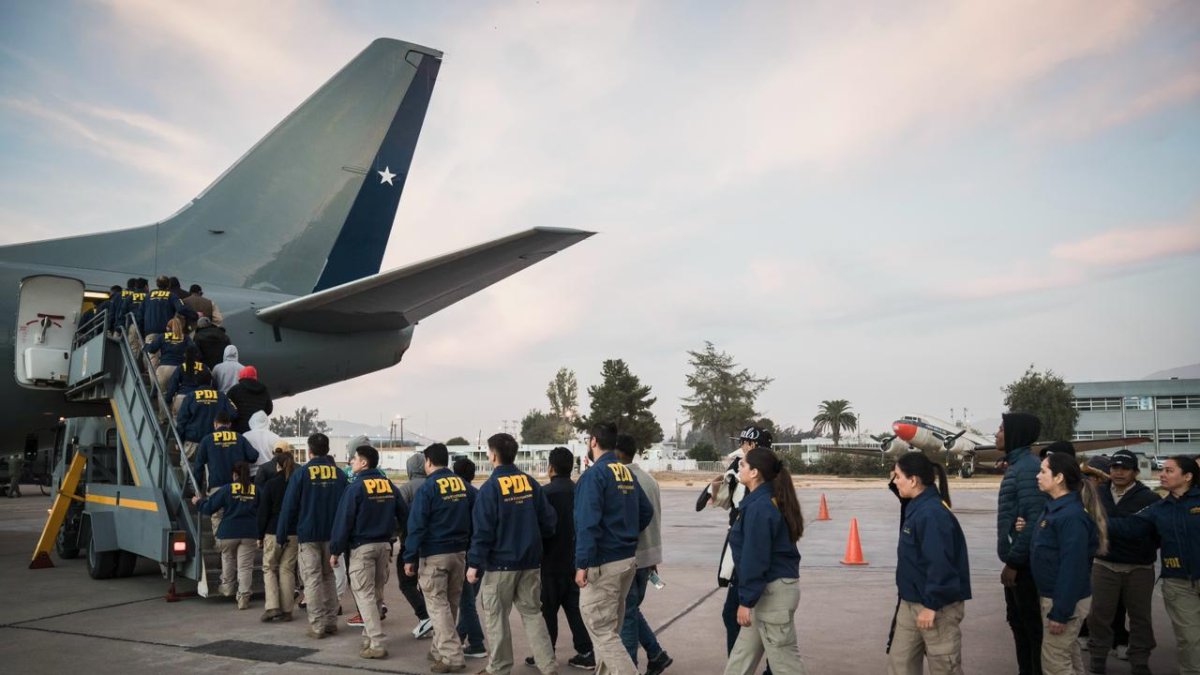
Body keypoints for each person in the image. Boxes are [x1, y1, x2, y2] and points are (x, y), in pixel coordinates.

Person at [467, 433, 557, 675]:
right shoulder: (530, 483)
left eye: (487, 451)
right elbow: (549, 521)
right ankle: (548, 666)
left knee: (497, 619)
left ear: (494, 455)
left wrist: (474, 563)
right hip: (530, 563)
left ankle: (499, 668)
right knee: (533, 614)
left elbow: (483, 530)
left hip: (499, 566)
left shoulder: (490, 488)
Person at [1106, 455, 1200, 674]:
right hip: (1179, 584)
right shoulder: (1159, 508)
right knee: (1190, 639)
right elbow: (1129, 527)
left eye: (1169, 470)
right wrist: (1092, 520)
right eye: (1162, 470)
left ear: (1187, 476)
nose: (1162, 474)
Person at [574, 422, 653, 675]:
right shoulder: (625, 472)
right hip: (626, 560)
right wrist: (625, 534)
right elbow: (645, 511)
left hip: (603, 563)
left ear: (594, 441)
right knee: (610, 631)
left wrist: (582, 563)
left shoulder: (594, 475)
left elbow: (587, 523)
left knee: (602, 631)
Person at [723, 447, 807, 675]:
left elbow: (755, 557)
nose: (738, 468)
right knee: (740, 660)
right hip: (765, 592)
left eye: (743, 465)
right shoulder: (762, 501)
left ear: (755, 473)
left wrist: (746, 601)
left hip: (771, 594)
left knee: (785, 664)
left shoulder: (760, 508)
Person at [889, 452, 971, 675]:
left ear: (913, 480)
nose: (894, 481)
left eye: (897, 476)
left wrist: (931, 605)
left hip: (935, 606)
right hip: (911, 601)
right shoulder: (916, 506)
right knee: (900, 662)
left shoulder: (932, 514)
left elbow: (941, 564)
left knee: (944, 667)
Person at [1031, 451, 1107, 675]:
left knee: (1055, 662)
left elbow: (1072, 568)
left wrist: (1060, 612)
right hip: (1057, 596)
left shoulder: (1070, 516)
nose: (1038, 476)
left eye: (1043, 471)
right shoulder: (1056, 508)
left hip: (1063, 600)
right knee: (1069, 656)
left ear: (1059, 478)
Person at [330, 445, 406, 660]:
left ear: (364, 462)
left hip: (362, 548)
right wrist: (395, 536)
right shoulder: (387, 484)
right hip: (384, 546)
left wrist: (335, 550)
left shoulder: (356, 488)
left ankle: (377, 642)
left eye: (353, 459)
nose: (350, 462)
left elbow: (343, 521)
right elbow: (404, 514)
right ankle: (368, 637)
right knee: (376, 594)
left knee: (364, 595)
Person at [403, 443, 473, 673]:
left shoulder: (428, 487)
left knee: (437, 606)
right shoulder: (463, 485)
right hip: (459, 554)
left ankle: (452, 656)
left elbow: (417, 525)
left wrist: (410, 556)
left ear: (428, 461)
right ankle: (438, 650)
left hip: (435, 555)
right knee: (449, 604)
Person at [1086, 449, 1157, 675]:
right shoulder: (1097, 493)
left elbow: (1143, 531)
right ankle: (1097, 659)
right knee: (1099, 615)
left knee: (1140, 618)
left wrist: (1103, 524)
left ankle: (1140, 662)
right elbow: (1086, 522)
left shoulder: (1149, 498)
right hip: (1104, 564)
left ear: (1135, 472)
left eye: (1125, 468)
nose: (1118, 472)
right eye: (1115, 468)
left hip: (1139, 567)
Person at [527, 446, 594, 670]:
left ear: (551, 468)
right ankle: (586, 651)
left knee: (547, 610)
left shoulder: (544, 494)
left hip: (550, 561)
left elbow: (537, 528)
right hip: (576, 561)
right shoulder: (580, 491)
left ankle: (545, 653)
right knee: (575, 609)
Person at [277, 433, 349, 640]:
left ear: (309, 451)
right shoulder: (339, 474)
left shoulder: (302, 474)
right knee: (329, 577)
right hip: (333, 535)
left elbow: (288, 506)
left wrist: (281, 534)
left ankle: (317, 626)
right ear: (327, 449)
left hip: (309, 535)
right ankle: (331, 622)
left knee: (312, 580)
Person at [614, 434, 672, 674]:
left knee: (626, 613)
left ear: (617, 453)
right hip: (649, 556)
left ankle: (630, 667)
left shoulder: (622, 480)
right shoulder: (649, 479)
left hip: (631, 556)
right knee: (631, 609)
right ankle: (656, 654)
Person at [996, 412, 1048, 675]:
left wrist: (1015, 562)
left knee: (1030, 628)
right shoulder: (1018, 466)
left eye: (1002, 429)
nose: (996, 434)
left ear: (1016, 434)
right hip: (1017, 561)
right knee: (1019, 624)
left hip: (1025, 566)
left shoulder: (1027, 468)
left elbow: (1033, 519)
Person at [194, 461, 258, 608]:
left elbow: (209, 507)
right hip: (249, 532)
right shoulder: (256, 490)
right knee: (245, 566)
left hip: (229, 531)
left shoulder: (227, 489)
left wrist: (198, 502)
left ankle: (228, 587)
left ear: (234, 474)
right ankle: (243, 597)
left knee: (228, 558)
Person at [192, 411, 259, 534]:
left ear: (215, 424)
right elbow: (253, 455)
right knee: (237, 518)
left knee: (217, 517)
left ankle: (221, 547)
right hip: (238, 486)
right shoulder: (239, 438)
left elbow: (198, 466)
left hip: (216, 487)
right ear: (229, 424)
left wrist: (197, 489)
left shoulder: (207, 440)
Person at [397, 451, 434, 640]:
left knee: (406, 583)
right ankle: (430, 617)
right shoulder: (432, 484)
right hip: (433, 545)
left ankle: (425, 616)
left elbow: (399, 516)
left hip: (410, 543)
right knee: (426, 584)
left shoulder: (406, 488)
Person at [258, 450, 299, 622]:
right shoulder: (298, 484)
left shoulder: (271, 484)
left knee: (269, 568)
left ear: (277, 465)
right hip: (294, 532)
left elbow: (263, 512)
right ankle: (288, 610)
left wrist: (259, 535)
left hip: (273, 532)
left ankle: (273, 607)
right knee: (287, 570)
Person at [453, 457, 487, 660]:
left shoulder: (456, 493)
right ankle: (460, 637)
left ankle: (476, 643)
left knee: (466, 602)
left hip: (464, 555)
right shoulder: (477, 494)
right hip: (479, 554)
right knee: (468, 600)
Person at [175, 370, 237, 459]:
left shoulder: (190, 397)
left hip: (192, 441)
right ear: (211, 382)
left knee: (188, 469)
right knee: (211, 469)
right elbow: (234, 413)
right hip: (214, 441)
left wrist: (179, 440)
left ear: (196, 381)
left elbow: (181, 420)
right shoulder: (222, 396)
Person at [138, 275, 195, 362]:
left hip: (150, 331)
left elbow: (140, 315)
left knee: (152, 358)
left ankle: (153, 375)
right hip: (166, 331)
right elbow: (181, 308)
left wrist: (141, 331)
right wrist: (194, 315)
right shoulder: (171, 296)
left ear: (157, 284)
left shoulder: (148, 296)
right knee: (167, 356)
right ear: (168, 285)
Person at [144, 316, 192, 395]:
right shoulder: (186, 338)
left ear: (168, 328)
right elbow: (194, 350)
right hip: (180, 369)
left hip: (164, 369)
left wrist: (146, 346)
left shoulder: (163, 336)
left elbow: (152, 349)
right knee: (178, 393)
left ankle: (156, 395)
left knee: (162, 396)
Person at [227, 365, 273, 433]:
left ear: (241, 376)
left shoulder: (234, 390)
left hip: (239, 430)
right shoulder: (264, 390)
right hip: (257, 429)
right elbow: (269, 409)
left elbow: (227, 409)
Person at [164, 347, 208, 415]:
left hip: (182, 397)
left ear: (186, 355)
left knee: (177, 420)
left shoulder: (182, 366)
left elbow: (173, 385)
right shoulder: (204, 367)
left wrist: (168, 400)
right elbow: (211, 384)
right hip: (199, 399)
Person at [243, 411, 283, 479]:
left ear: (251, 421)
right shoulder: (275, 437)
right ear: (266, 422)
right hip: (271, 475)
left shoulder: (245, 436)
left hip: (251, 475)